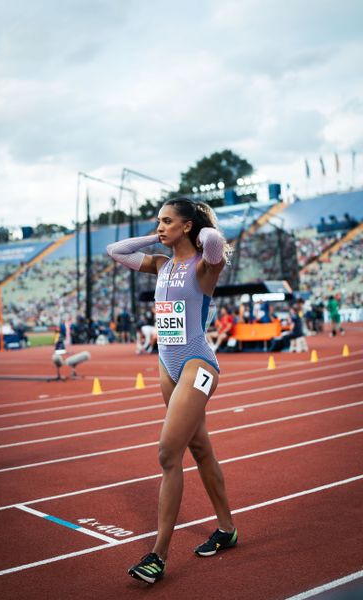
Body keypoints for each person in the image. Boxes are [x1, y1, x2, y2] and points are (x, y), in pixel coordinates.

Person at [107, 197, 237, 585]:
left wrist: (196, 227)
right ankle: (227, 529)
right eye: (157, 221)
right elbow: (116, 251)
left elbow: (213, 240)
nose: (160, 227)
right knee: (200, 449)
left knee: (168, 453)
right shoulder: (161, 265)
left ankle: (158, 555)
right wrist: (158, 235)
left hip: (198, 364)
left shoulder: (205, 265)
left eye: (167, 221)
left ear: (186, 227)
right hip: (167, 366)